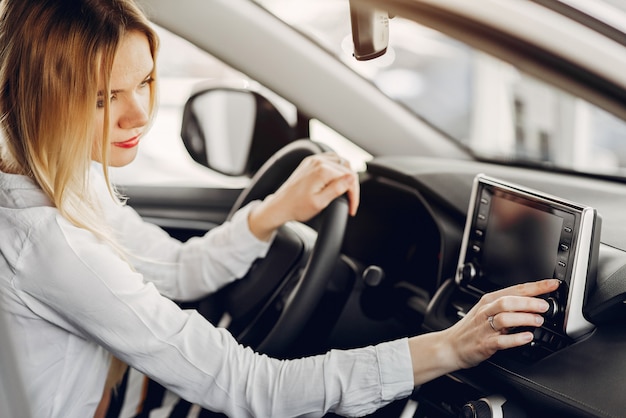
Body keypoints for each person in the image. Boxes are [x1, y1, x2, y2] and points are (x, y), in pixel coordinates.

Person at [0, 0, 559, 417]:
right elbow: (247, 386)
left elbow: (176, 271)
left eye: (144, 81)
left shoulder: (66, 175)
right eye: (102, 98)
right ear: (33, 96)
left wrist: (274, 212)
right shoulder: (50, 242)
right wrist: (450, 346)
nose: (138, 115)